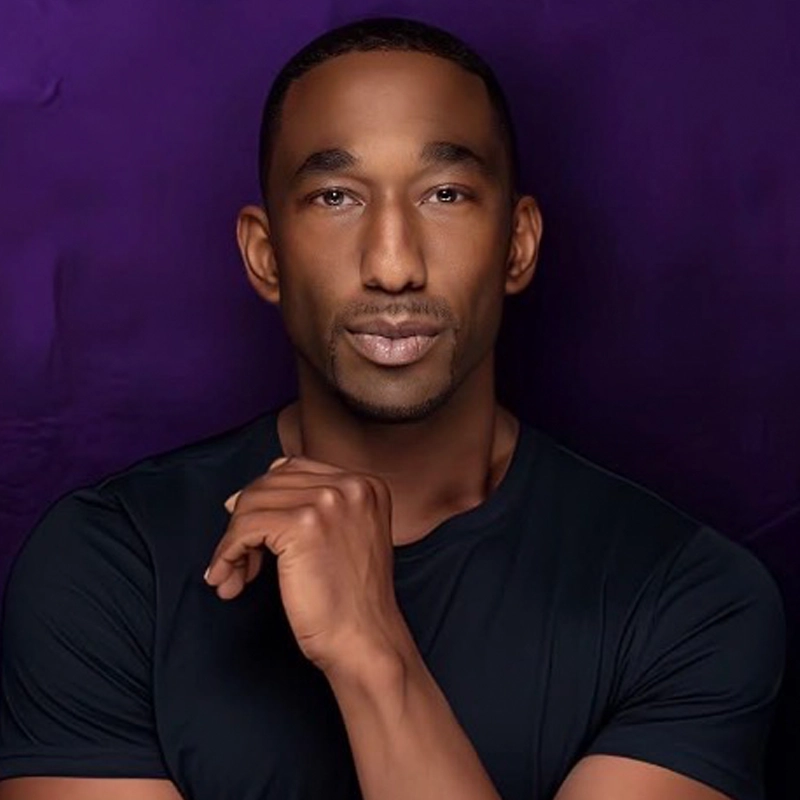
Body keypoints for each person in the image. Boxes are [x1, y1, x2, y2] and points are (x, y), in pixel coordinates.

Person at [0, 16, 785, 800]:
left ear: (517, 244)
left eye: (445, 194)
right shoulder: (111, 565)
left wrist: (372, 656)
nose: (393, 265)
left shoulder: (689, 597)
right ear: (264, 255)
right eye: (335, 196)